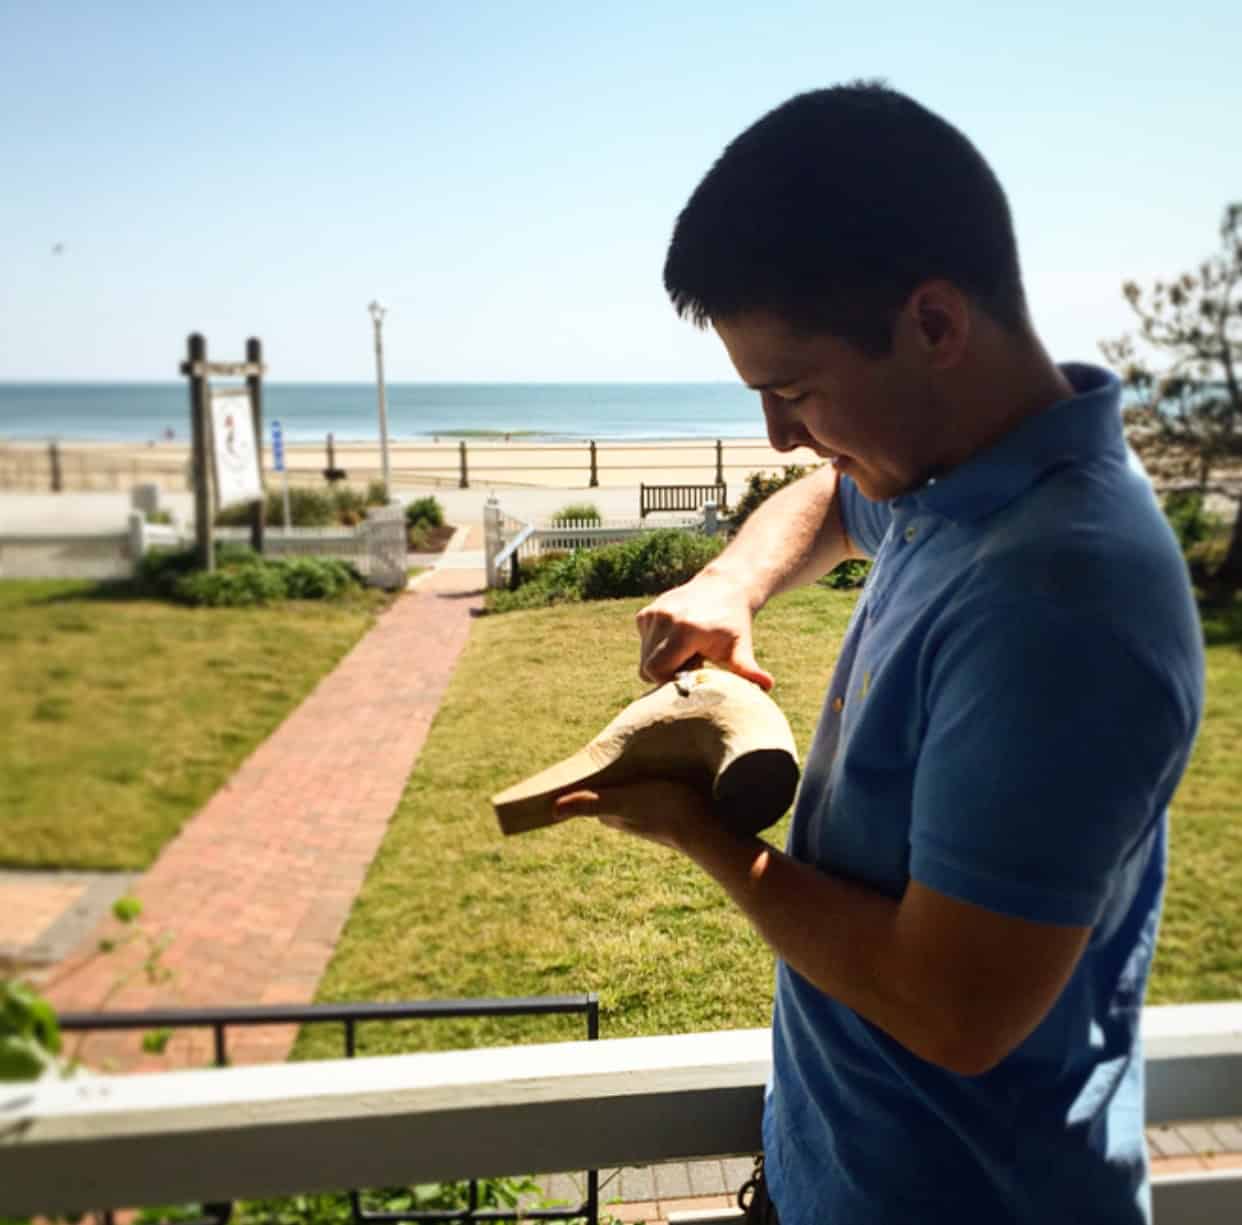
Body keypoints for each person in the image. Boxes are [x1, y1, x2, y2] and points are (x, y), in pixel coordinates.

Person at [553, 82, 1205, 1224]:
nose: (778, 435)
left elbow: (954, 1010)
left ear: (936, 325)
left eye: (792, 389)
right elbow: (836, 502)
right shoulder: (960, 475)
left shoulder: (1060, 598)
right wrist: (730, 583)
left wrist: (697, 833)